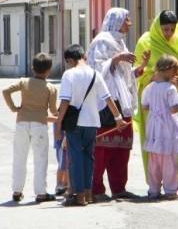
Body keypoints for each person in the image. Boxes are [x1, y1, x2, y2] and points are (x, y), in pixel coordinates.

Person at [135, 10, 178, 195]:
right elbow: (141, 73)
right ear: (157, 27)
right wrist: (160, 79)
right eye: (165, 29)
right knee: (156, 151)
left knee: (177, 145)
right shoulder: (145, 42)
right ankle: (154, 185)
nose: (169, 33)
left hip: (175, 99)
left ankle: (176, 182)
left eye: (172, 29)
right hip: (156, 107)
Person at [87, 8, 150, 199]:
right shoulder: (101, 41)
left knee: (121, 149)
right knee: (101, 149)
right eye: (126, 19)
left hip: (122, 102)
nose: (130, 23)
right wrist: (116, 58)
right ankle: (96, 189)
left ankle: (119, 188)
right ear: (116, 21)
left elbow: (123, 76)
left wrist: (141, 67)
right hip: (106, 103)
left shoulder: (120, 42)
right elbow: (95, 70)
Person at [55, 44, 126, 206]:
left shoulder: (69, 74)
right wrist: (118, 117)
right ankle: (88, 193)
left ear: (70, 60)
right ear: (84, 56)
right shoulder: (96, 74)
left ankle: (78, 195)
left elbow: (65, 101)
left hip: (74, 123)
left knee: (75, 158)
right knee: (89, 157)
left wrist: (59, 124)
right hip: (93, 122)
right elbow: (108, 98)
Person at [2, 53, 57, 203]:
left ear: (33, 68)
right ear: (49, 69)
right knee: (40, 158)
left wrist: (14, 108)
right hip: (39, 125)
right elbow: (53, 111)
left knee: (19, 157)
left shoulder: (23, 81)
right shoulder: (50, 87)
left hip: (22, 123)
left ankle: (17, 190)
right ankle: (40, 192)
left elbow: (5, 91)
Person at [142, 55, 178, 200]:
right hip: (168, 126)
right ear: (169, 70)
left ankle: (153, 190)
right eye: (175, 69)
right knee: (170, 159)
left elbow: (145, 107)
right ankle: (171, 191)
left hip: (153, 125)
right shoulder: (170, 88)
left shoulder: (149, 87)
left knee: (154, 160)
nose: (177, 73)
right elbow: (173, 109)